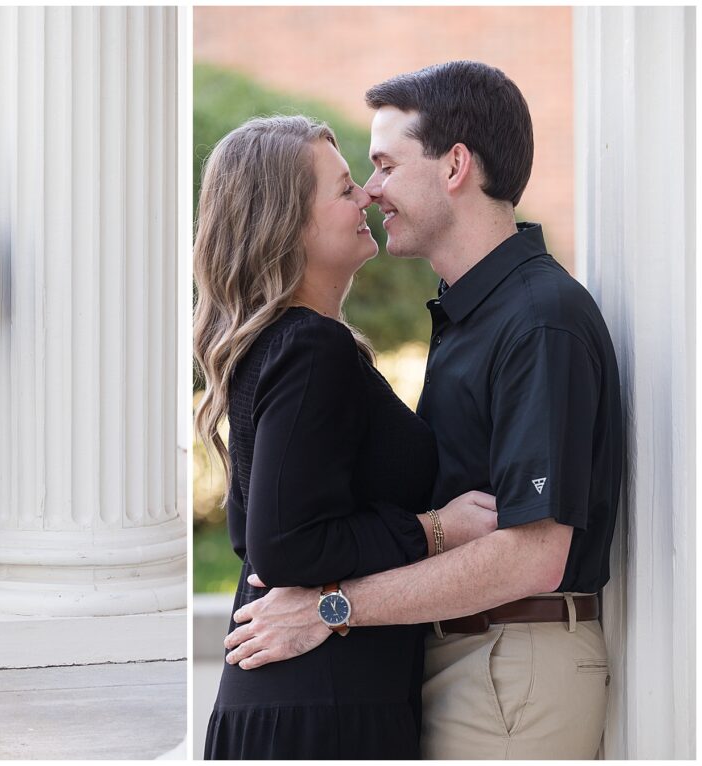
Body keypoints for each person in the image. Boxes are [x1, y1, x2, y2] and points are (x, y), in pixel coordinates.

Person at [222, 61, 623, 760]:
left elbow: (533, 557)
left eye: (382, 165)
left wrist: (330, 607)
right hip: (456, 658)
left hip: (508, 666)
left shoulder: (538, 319)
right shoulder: (471, 314)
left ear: (455, 166)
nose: (372, 190)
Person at [193, 115, 498, 759]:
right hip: (321, 712)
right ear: (286, 224)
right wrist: (435, 530)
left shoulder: (284, 345)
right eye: (342, 190)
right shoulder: (309, 348)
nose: (365, 196)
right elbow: (280, 546)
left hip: (310, 699)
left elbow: (258, 530)